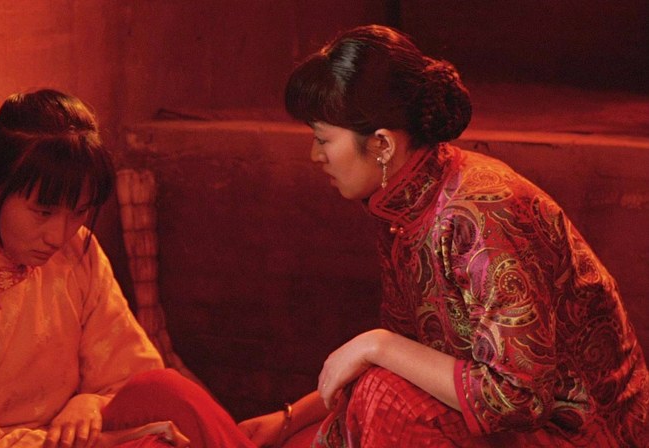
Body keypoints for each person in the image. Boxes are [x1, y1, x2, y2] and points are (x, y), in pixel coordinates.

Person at [238, 25, 649, 447]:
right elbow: (409, 355)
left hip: (575, 434)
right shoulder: (401, 206)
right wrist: (287, 419)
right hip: (496, 423)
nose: (315, 155)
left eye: (322, 138)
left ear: (382, 145)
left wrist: (378, 345)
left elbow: (518, 398)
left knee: (383, 398)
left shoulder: (483, 212)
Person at [0, 89, 255, 448]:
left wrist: (91, 403)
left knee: (167, 390)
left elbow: (131, 369)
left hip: (80, 431)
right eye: (43, 212)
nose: (58, 236)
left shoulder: (77, 250)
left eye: (79, 212)